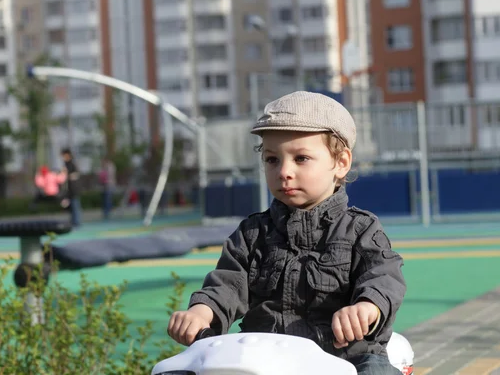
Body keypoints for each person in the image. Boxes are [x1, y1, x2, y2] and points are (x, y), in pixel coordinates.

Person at [167, 91, 406, 375]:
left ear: (341, 163)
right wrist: (200, 313)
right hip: (267, 360)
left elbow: (384, 276)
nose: (284, 171)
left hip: (346, 357)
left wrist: (367, 307)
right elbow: (226, 285)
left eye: (301, 158)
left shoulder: (360, 230)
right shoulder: (251, 234)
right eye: (272, 160)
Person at [60, 148, 82, 227]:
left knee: (75, 205)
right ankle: (73, 221)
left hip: (74, 188)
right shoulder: (65, 164)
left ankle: (76, 222)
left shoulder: (72, 164)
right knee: (70, 206)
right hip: (68, 189)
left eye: (64, 155)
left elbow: (76, 174)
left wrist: (67, 175)